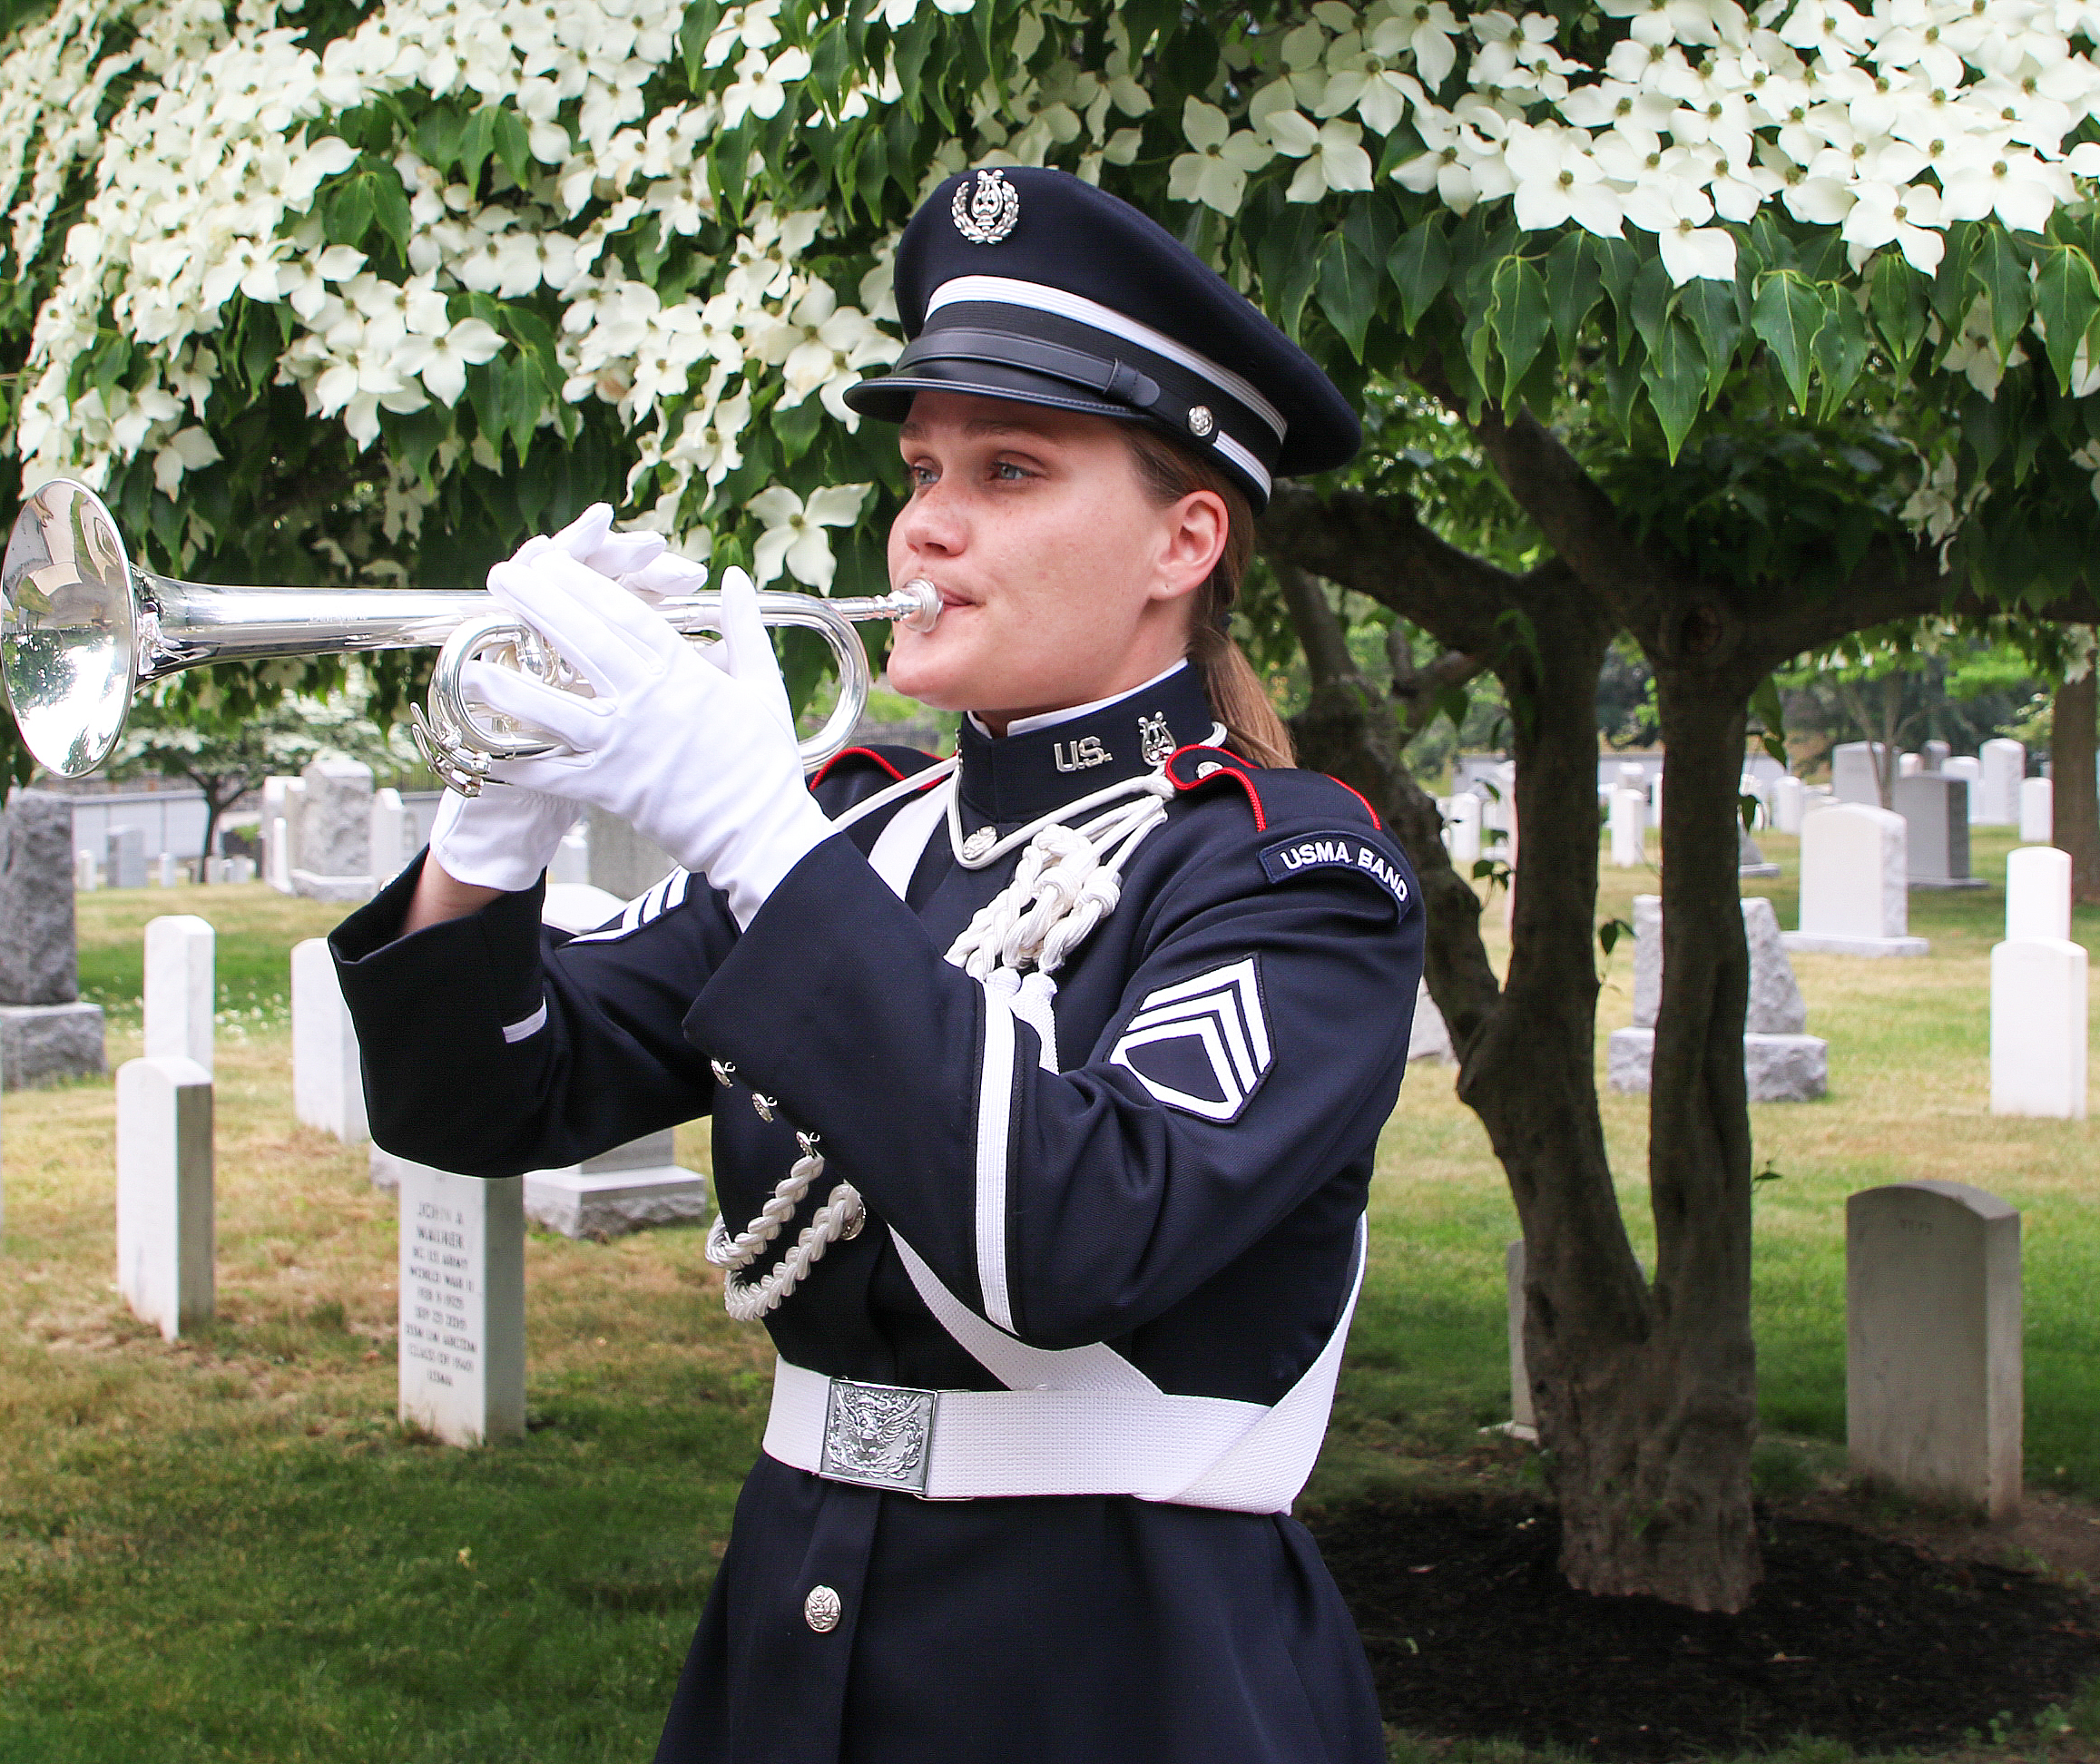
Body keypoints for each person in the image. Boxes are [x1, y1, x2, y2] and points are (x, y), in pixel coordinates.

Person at [330, 166, 1423, 1763]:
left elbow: (1078, 1237)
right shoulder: (863, 839)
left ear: (1185, 539)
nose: (925, 524)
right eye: (921, 469)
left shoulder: (1288, 870)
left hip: (1127, 1676)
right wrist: (494, 822)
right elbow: (475, 1102)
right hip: (793, 1643)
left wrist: (755, 834)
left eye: (1009, 469)